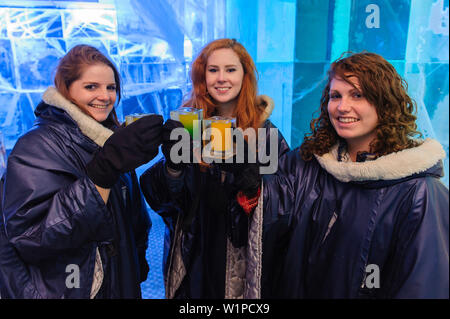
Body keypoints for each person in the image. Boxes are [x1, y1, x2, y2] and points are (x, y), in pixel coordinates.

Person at [244, 52, 448, 298]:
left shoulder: (420, 192)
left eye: (357, 95)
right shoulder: (307, 163)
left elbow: (423, 286)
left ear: (385, 103)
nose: (342, 107)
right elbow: (262, 217)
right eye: (335, 96)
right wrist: (245, 170)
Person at [0, 44, 163, 298]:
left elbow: (136, 219)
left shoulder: (111, 141)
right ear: (66, 90)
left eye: (111, 87)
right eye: (91, 87)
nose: (105, 96)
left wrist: (136, 262)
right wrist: (100, 174)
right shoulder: (35, 146)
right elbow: (32, 237)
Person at [139, 38, 290, 299]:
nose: (221, 78)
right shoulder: (188, 125)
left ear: (245, 75)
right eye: (213, 70)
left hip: (240, 263)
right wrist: (173, 167)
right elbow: (166, 203)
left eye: (230, 70)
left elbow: (284, 211)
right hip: (192, 256)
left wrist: (251, 182)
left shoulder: (265, 134)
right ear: (202, 75)